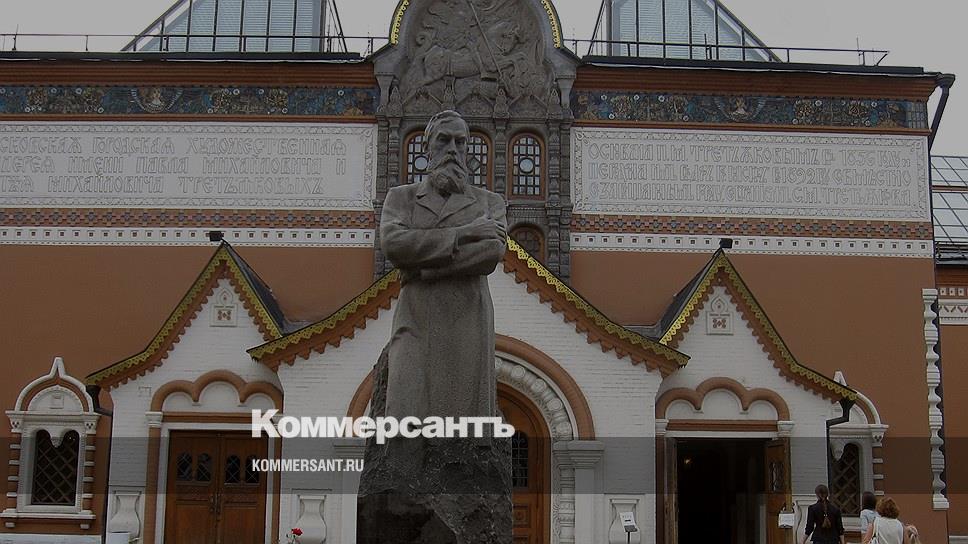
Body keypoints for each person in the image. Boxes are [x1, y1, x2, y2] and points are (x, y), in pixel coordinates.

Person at [379, 109, 508, 421]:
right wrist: (466, 233)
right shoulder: (402, 198)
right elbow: (394, 244)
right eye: (444, 140)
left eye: (460, 142)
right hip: (416, 316)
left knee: (463, 426)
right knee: (405, 412)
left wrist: (421, 269)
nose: (453, 149)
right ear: (427, 147)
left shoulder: (489, 202)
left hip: (467, 323)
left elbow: (491, 252)